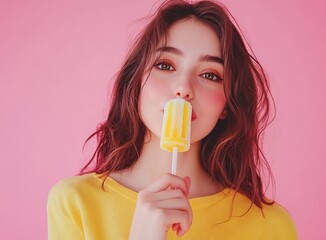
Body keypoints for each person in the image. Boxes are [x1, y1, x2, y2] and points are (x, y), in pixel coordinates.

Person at [47, 0, 297, 239]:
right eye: (165, 65)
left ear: (227, 105)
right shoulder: (75, 203)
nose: (183, 88)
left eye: (210, 75)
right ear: (135, 85)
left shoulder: (270, 227)